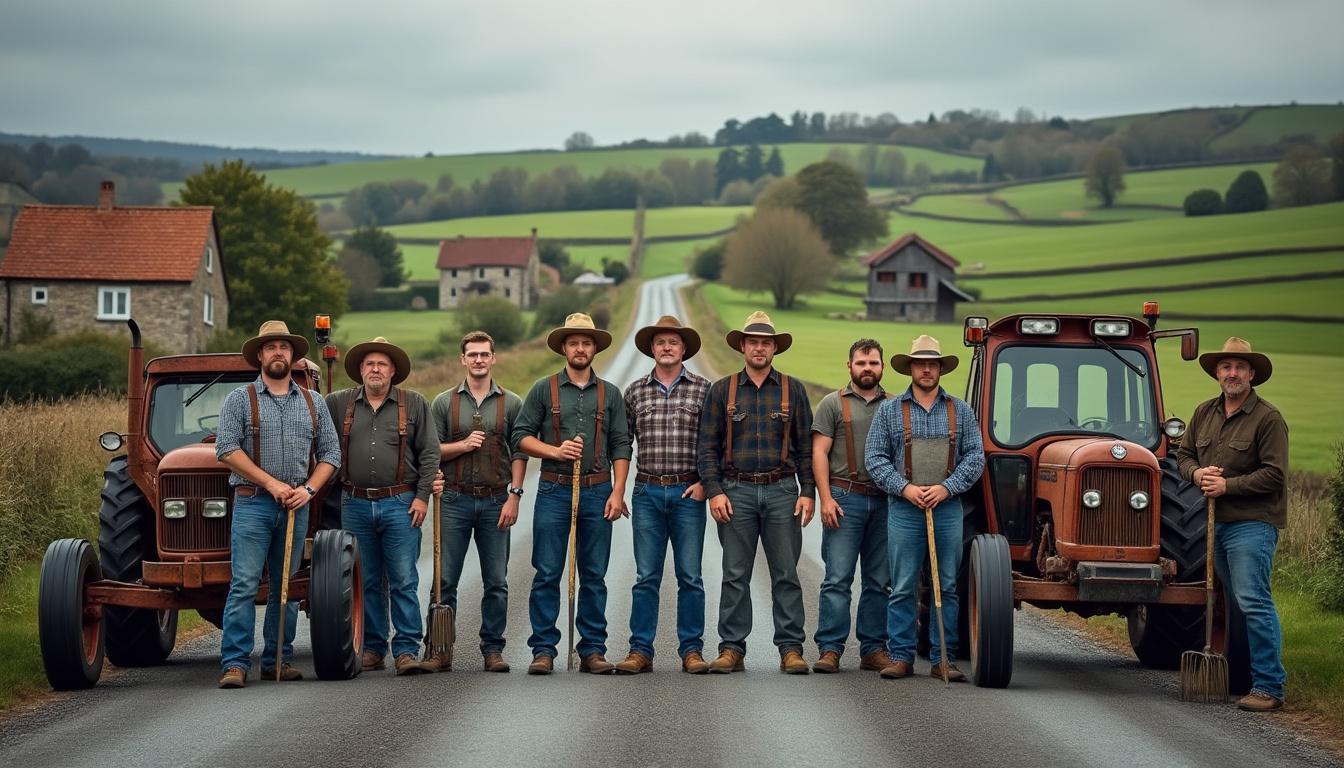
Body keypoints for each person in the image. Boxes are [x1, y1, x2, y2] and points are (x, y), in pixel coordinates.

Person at [215, 321, 341, 688]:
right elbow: (226, 448)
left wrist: (309, 490)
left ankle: (277, 661)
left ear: (293, 355)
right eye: (270, 347)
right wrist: (271, 484)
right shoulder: (240, 399)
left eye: (284, 347)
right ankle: (235, 664)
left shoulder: (313, 402)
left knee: (284, 587)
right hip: (253, 504)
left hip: (295, 507)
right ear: (260, 355)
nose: (278, 352)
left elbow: (331, 454)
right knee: (244, 584)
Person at [696, 311, 815, 675]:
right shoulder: (722, 390)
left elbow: (806, 448)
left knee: (786, 573)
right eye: (753, 342)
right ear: (743, 347)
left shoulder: (793, 390)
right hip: (736, 491)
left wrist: (808, 491)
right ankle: (732, 649)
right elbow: (707, 447)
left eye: (766, 343)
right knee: (735, 574)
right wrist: (714, 491)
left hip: (782, 490)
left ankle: (791, 649)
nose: (759, 348)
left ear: (774, 348)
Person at [513, 312, 632, 675]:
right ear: (564, 348)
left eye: (586, 343)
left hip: (598, 490)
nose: (580, 349)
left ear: (594, 348)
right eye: (574, 343)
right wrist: (555, 451)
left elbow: (621, 445)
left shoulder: (610, 394)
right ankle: (543, 649)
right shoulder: (543, 389)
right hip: (554, 489)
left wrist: (618, 492)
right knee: (547, 571)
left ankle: (592, 650)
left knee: (594, 574)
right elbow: (520, 436)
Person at [1176, 337, 1289, 712]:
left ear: (1252, 374)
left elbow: (1275, 474)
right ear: (1217, 373)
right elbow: (1184, 455)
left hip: (1252, 524)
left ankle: (1270, 686)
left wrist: (1228, 486)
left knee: (1253, 600)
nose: (1232, 373)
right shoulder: (1204, 413)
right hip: (1215, 524)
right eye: (1226, 366)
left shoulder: (1268, 418)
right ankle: (1240, 676)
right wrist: (1196, 474)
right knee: (1235, 602)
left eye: (1240, 367)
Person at [865, 335, 984, 682]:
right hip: (904, 509)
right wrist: (906, 488)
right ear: (911, 369)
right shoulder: (889, 410)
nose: (927, 369)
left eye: (933, 364)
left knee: (946, 585)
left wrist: (947, 488)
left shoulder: (960, 410)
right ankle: (901, 656)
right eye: (921, 364)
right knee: (902, 585)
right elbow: (874, 458)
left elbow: (975, 457)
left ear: (941, 369)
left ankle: (942, 658)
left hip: (947, 510)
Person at [324, 337, 439, 676]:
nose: (375, 369)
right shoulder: (337, 403)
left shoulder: (414, 403)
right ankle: (374, 648)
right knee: (367, 580)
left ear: (392, 371)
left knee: (403, 578)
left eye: (382, 364)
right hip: (354, 502)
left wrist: (422, 496)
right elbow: (319, 441)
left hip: (401, 502)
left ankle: (406, 649)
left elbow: (430, 452)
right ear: (360, 370)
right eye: (370, 364)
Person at [614, 315, 713, 675]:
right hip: (648, 492)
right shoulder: (634, 392)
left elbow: (715, 443)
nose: (667, 347)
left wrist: (706, 484)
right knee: (646, 577)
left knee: (691, 577)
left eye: (673, 342)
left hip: (689, 492)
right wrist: (618, 490)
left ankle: (692, 650)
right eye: (660, 342)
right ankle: (640, 650)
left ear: (684, 348)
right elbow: (622, 444)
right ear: (652, 349)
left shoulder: (704, 389)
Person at [426, 330, 526, 673]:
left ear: (493, 358)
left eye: (484, 354)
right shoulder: (443, 403)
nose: (479, 360)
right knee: (444, 580)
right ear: (463, 359)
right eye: (473, 354)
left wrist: (514, 496)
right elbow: (431, 451)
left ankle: (493, 649)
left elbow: (520, 452)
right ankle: (439, 649)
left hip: (496, 500)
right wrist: (463, 445)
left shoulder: (512, 403)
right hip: (453, 500)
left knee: (496, 581)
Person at [810, 339, 893, 674]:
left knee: (879, 580)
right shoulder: (833, 403)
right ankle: (830, 648)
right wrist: (826, 498)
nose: (867, 369)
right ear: (850, 366)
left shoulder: (895, 405)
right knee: (837, 578)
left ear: (882, 367)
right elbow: (819, 453)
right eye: (861, 363)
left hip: (886, 501)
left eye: (873, 363)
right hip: (845, 498)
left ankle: (873, 648)